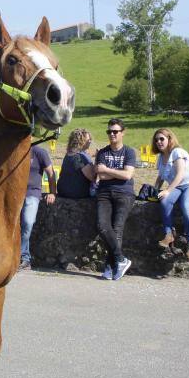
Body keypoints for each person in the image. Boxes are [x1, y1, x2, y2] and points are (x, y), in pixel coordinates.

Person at [151, 128, 189, 260]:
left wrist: (167, 190)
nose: (158, 142)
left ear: (169, 139)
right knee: (165, 201)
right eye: (156, 140)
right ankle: (168, 234)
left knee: (185, 205)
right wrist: (154, 191)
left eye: (162, 139)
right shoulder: (160, 158)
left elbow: (180, 175)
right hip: (179, 186)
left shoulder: (177, 152)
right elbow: (161, 177)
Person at [96, 119, 136, 281]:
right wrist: (114, 172)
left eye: (115, 131)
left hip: (124, 193)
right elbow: (100, 174)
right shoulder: (102, 153)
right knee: (102, 226)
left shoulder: (129, 152)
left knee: (117, 229)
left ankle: (110, 267)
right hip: (104, 193)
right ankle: (120, 260)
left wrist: (107, 170)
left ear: (122, 133)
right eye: (109, 131)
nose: (112, 134)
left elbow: (128, 175)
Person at [19, 144, 56, 271]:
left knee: (28, 223)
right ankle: (22, 258)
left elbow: (51, 173)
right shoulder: (15, 150)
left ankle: (23, 257)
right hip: (16, 194)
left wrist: (52, 192)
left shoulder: (39, 152)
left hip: (32, 193)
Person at [57, 128, 96, 199]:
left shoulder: (69, 154)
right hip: (76, 193)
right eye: (88, 139)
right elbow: (92, 177)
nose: (90, 141)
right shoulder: (79, 157)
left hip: (62, 191)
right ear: (81, 141)